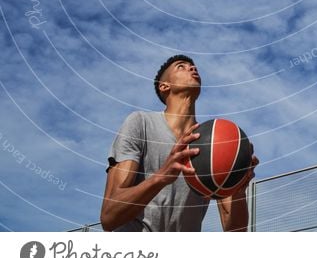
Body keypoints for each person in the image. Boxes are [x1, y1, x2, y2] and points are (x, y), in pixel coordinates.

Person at [100, 55, 258, 232]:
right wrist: (161, 177)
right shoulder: (140, 123)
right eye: (181, 67)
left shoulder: (211, 144)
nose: (192, 68)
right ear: (164, 86)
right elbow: (109, 217)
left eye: (194, 66)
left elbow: (236, 231)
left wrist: (237, 190)